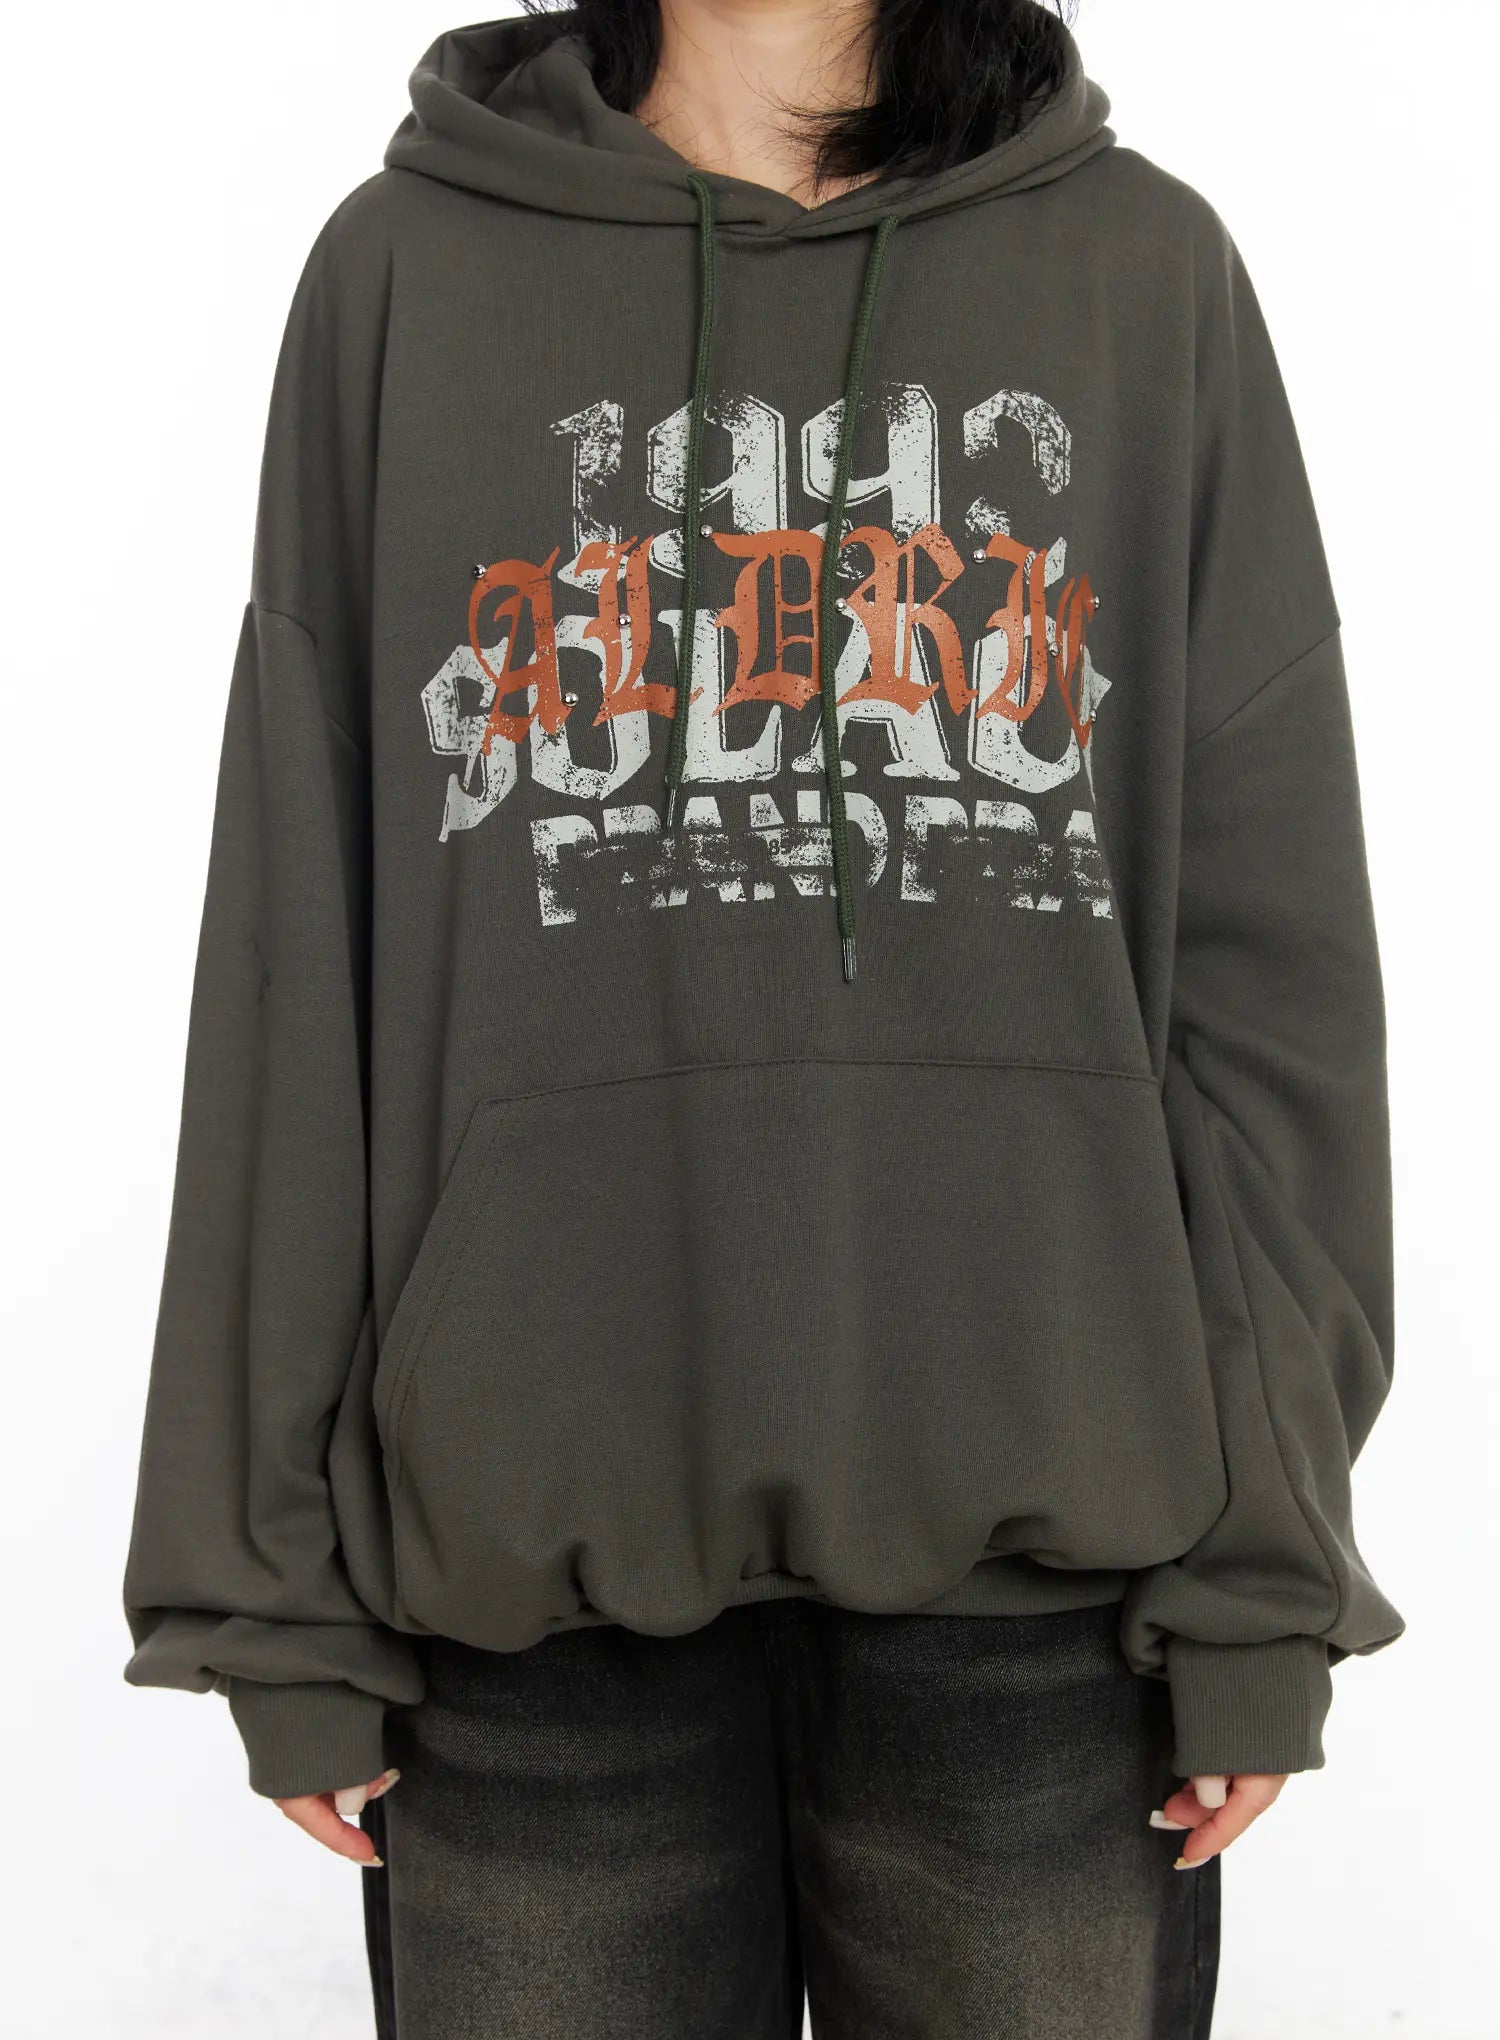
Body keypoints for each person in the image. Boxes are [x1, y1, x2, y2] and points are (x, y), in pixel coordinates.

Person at [121, 2, 1404, 2033]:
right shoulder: (407, 270)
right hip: (526, 1581)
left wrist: (1266, 1573)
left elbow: (1270, 971)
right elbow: (298, 929)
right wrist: (268, 1588)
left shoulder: (1136, 268)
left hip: (1050, 1585)